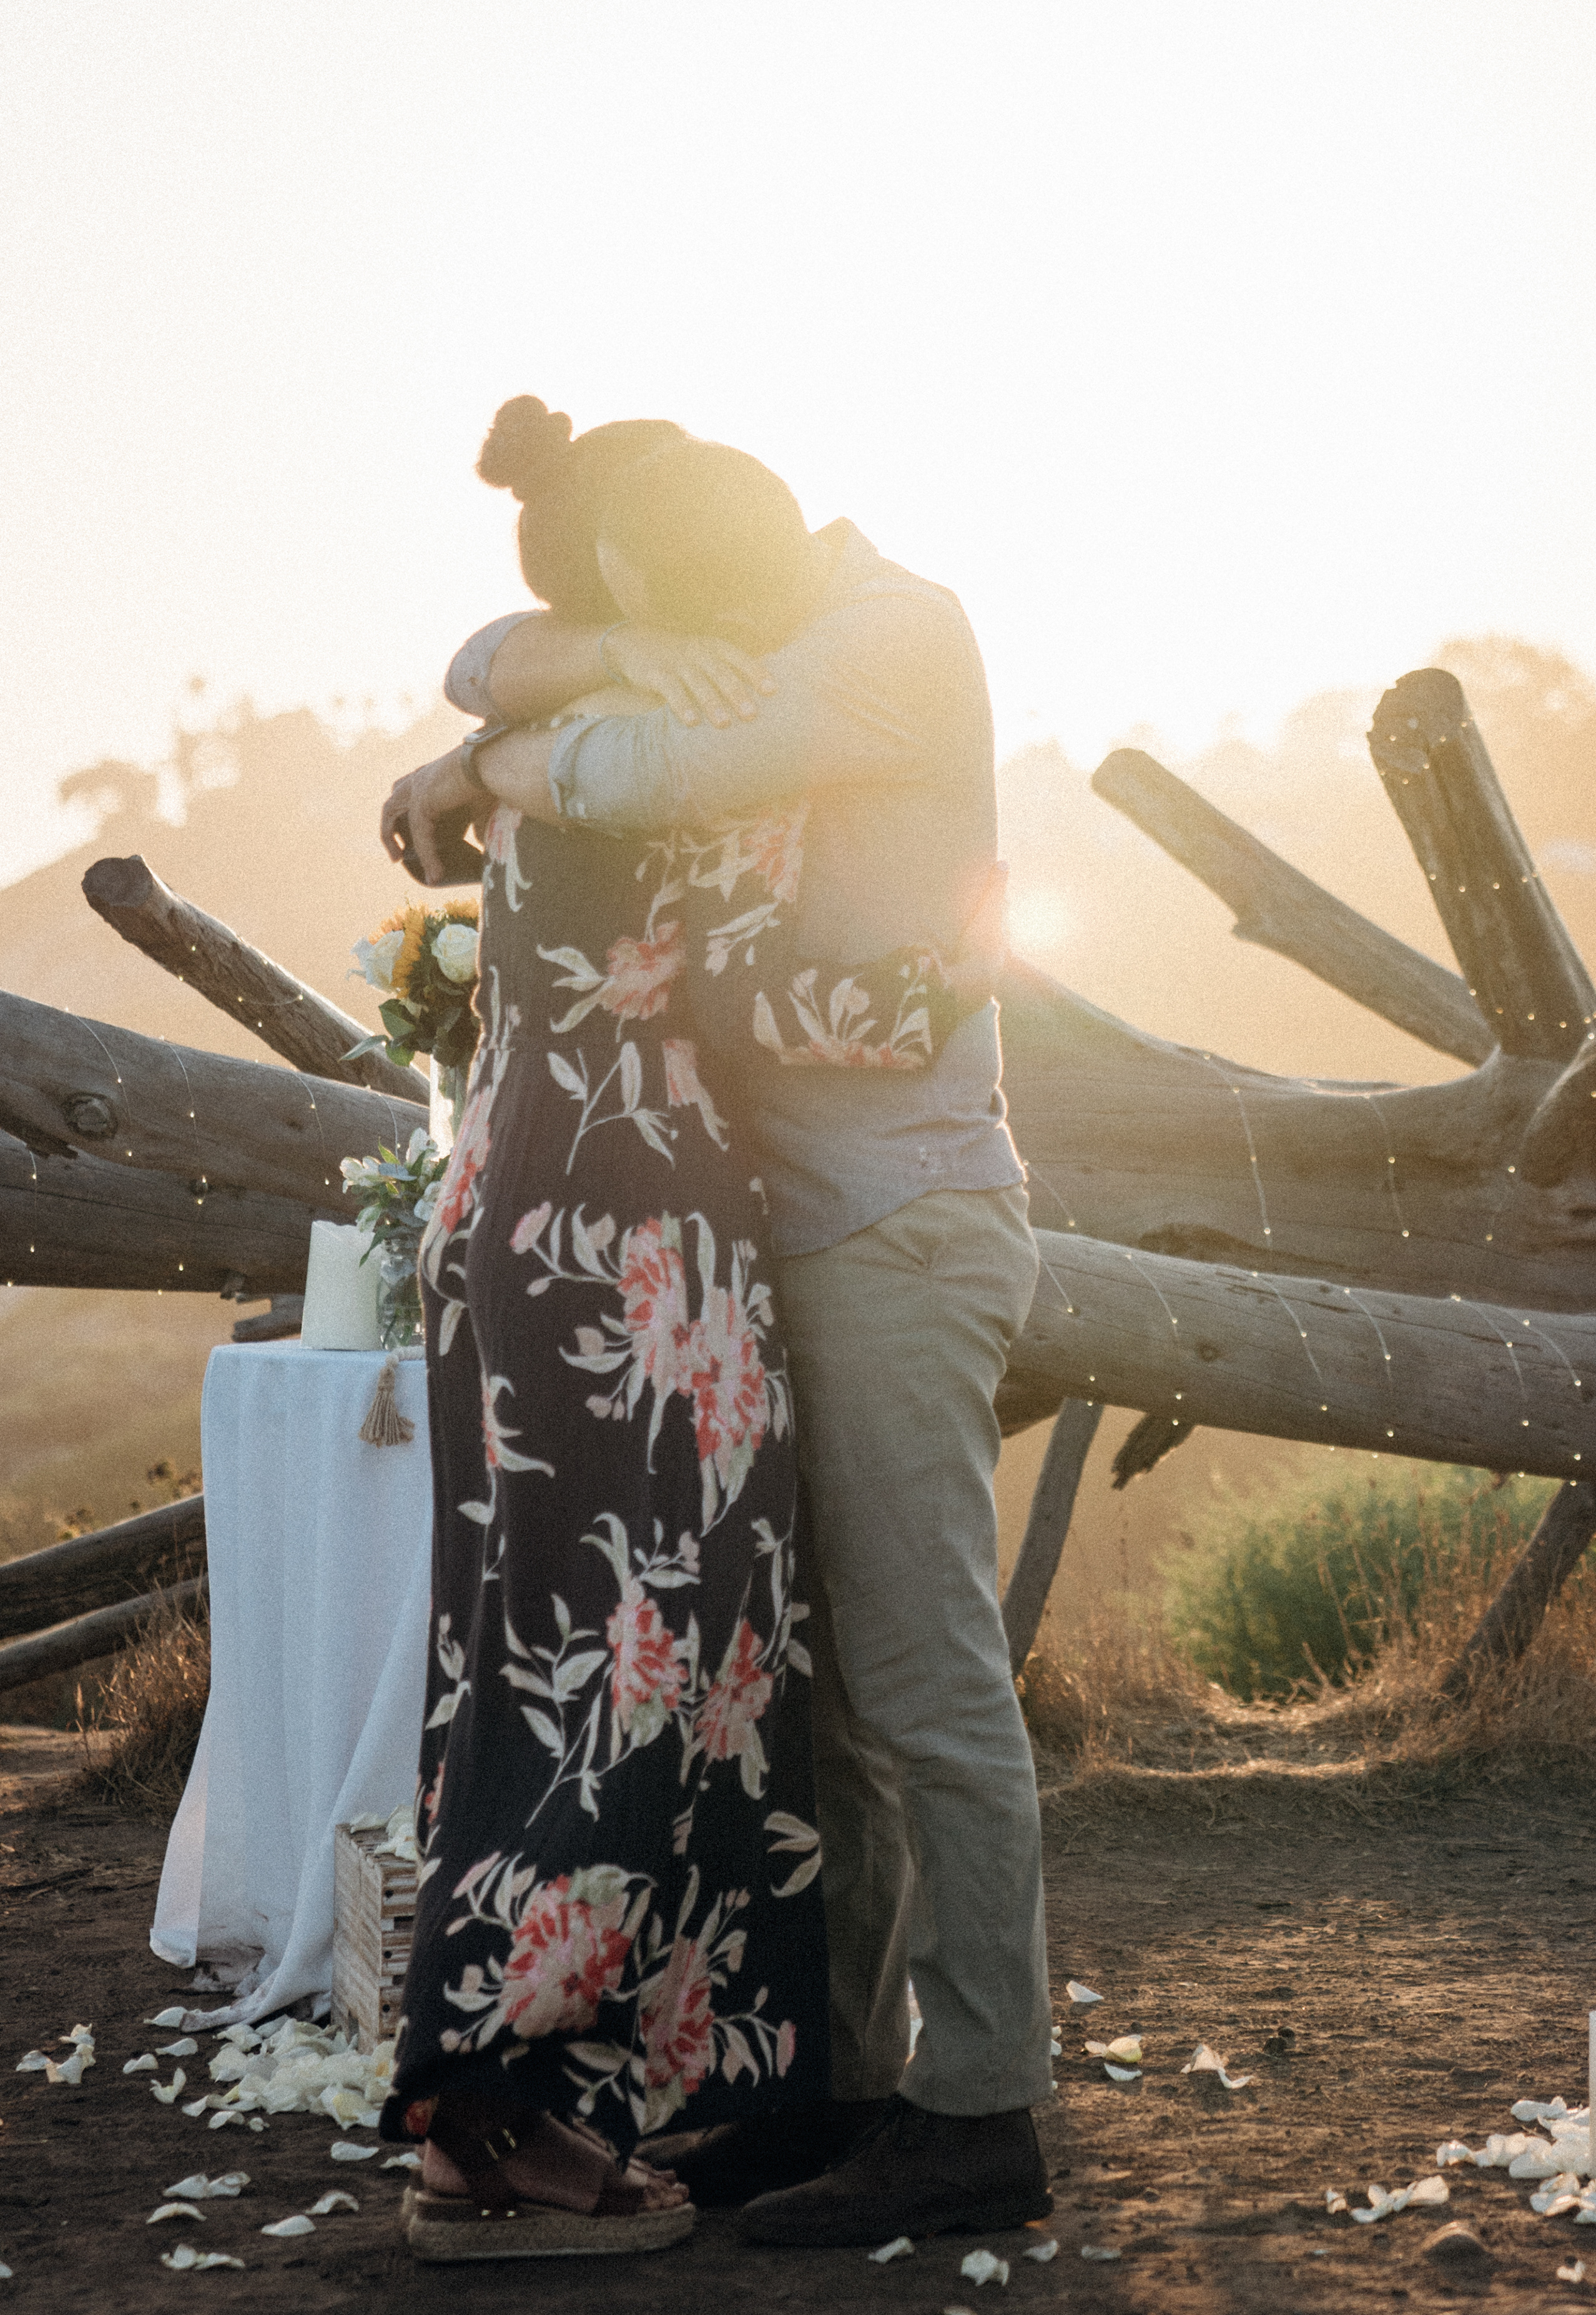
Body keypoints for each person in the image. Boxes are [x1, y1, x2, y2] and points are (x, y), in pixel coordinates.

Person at [383, 400, 1055, 2249]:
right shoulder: (748, 618)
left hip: (900, 1223)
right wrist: (533, 696)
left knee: (926, 1686)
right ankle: (831, 2088)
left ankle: (981, 2105)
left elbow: (643, 777)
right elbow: (498, 676)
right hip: (774, 1234)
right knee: (818, 1703)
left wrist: (496, 760)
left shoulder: (885, 638)